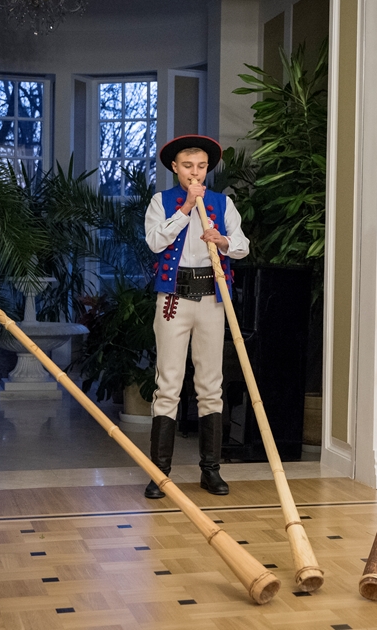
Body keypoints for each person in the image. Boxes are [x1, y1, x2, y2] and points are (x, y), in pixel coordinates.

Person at [143, 135, 250, 499]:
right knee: (168, 384)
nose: (195, 173)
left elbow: (242, 246)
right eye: (188, 166)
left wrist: (223, 242)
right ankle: (160, 473)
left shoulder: (222, 203)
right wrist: (186, 208)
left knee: (210, 384)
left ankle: (211, 470)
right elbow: (155, 242)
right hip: (173, 298)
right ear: (175, 167)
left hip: (212, 299)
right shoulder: (161, 202)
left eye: (201, 167)